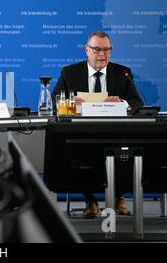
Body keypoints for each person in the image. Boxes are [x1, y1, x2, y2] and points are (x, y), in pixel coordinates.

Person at [52, 30, 144, 218]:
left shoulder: (122, 73)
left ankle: (118, 198)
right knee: (77, 152)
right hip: (81, 133)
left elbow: (137, 103)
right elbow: (55, 100)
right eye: (96, 49)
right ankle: (90, 201)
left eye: (106, 50)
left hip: (116, 132)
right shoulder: (70, 73)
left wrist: (122, 103)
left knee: (127, 151)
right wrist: (69, 103)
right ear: (86, 50)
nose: (102, 55)